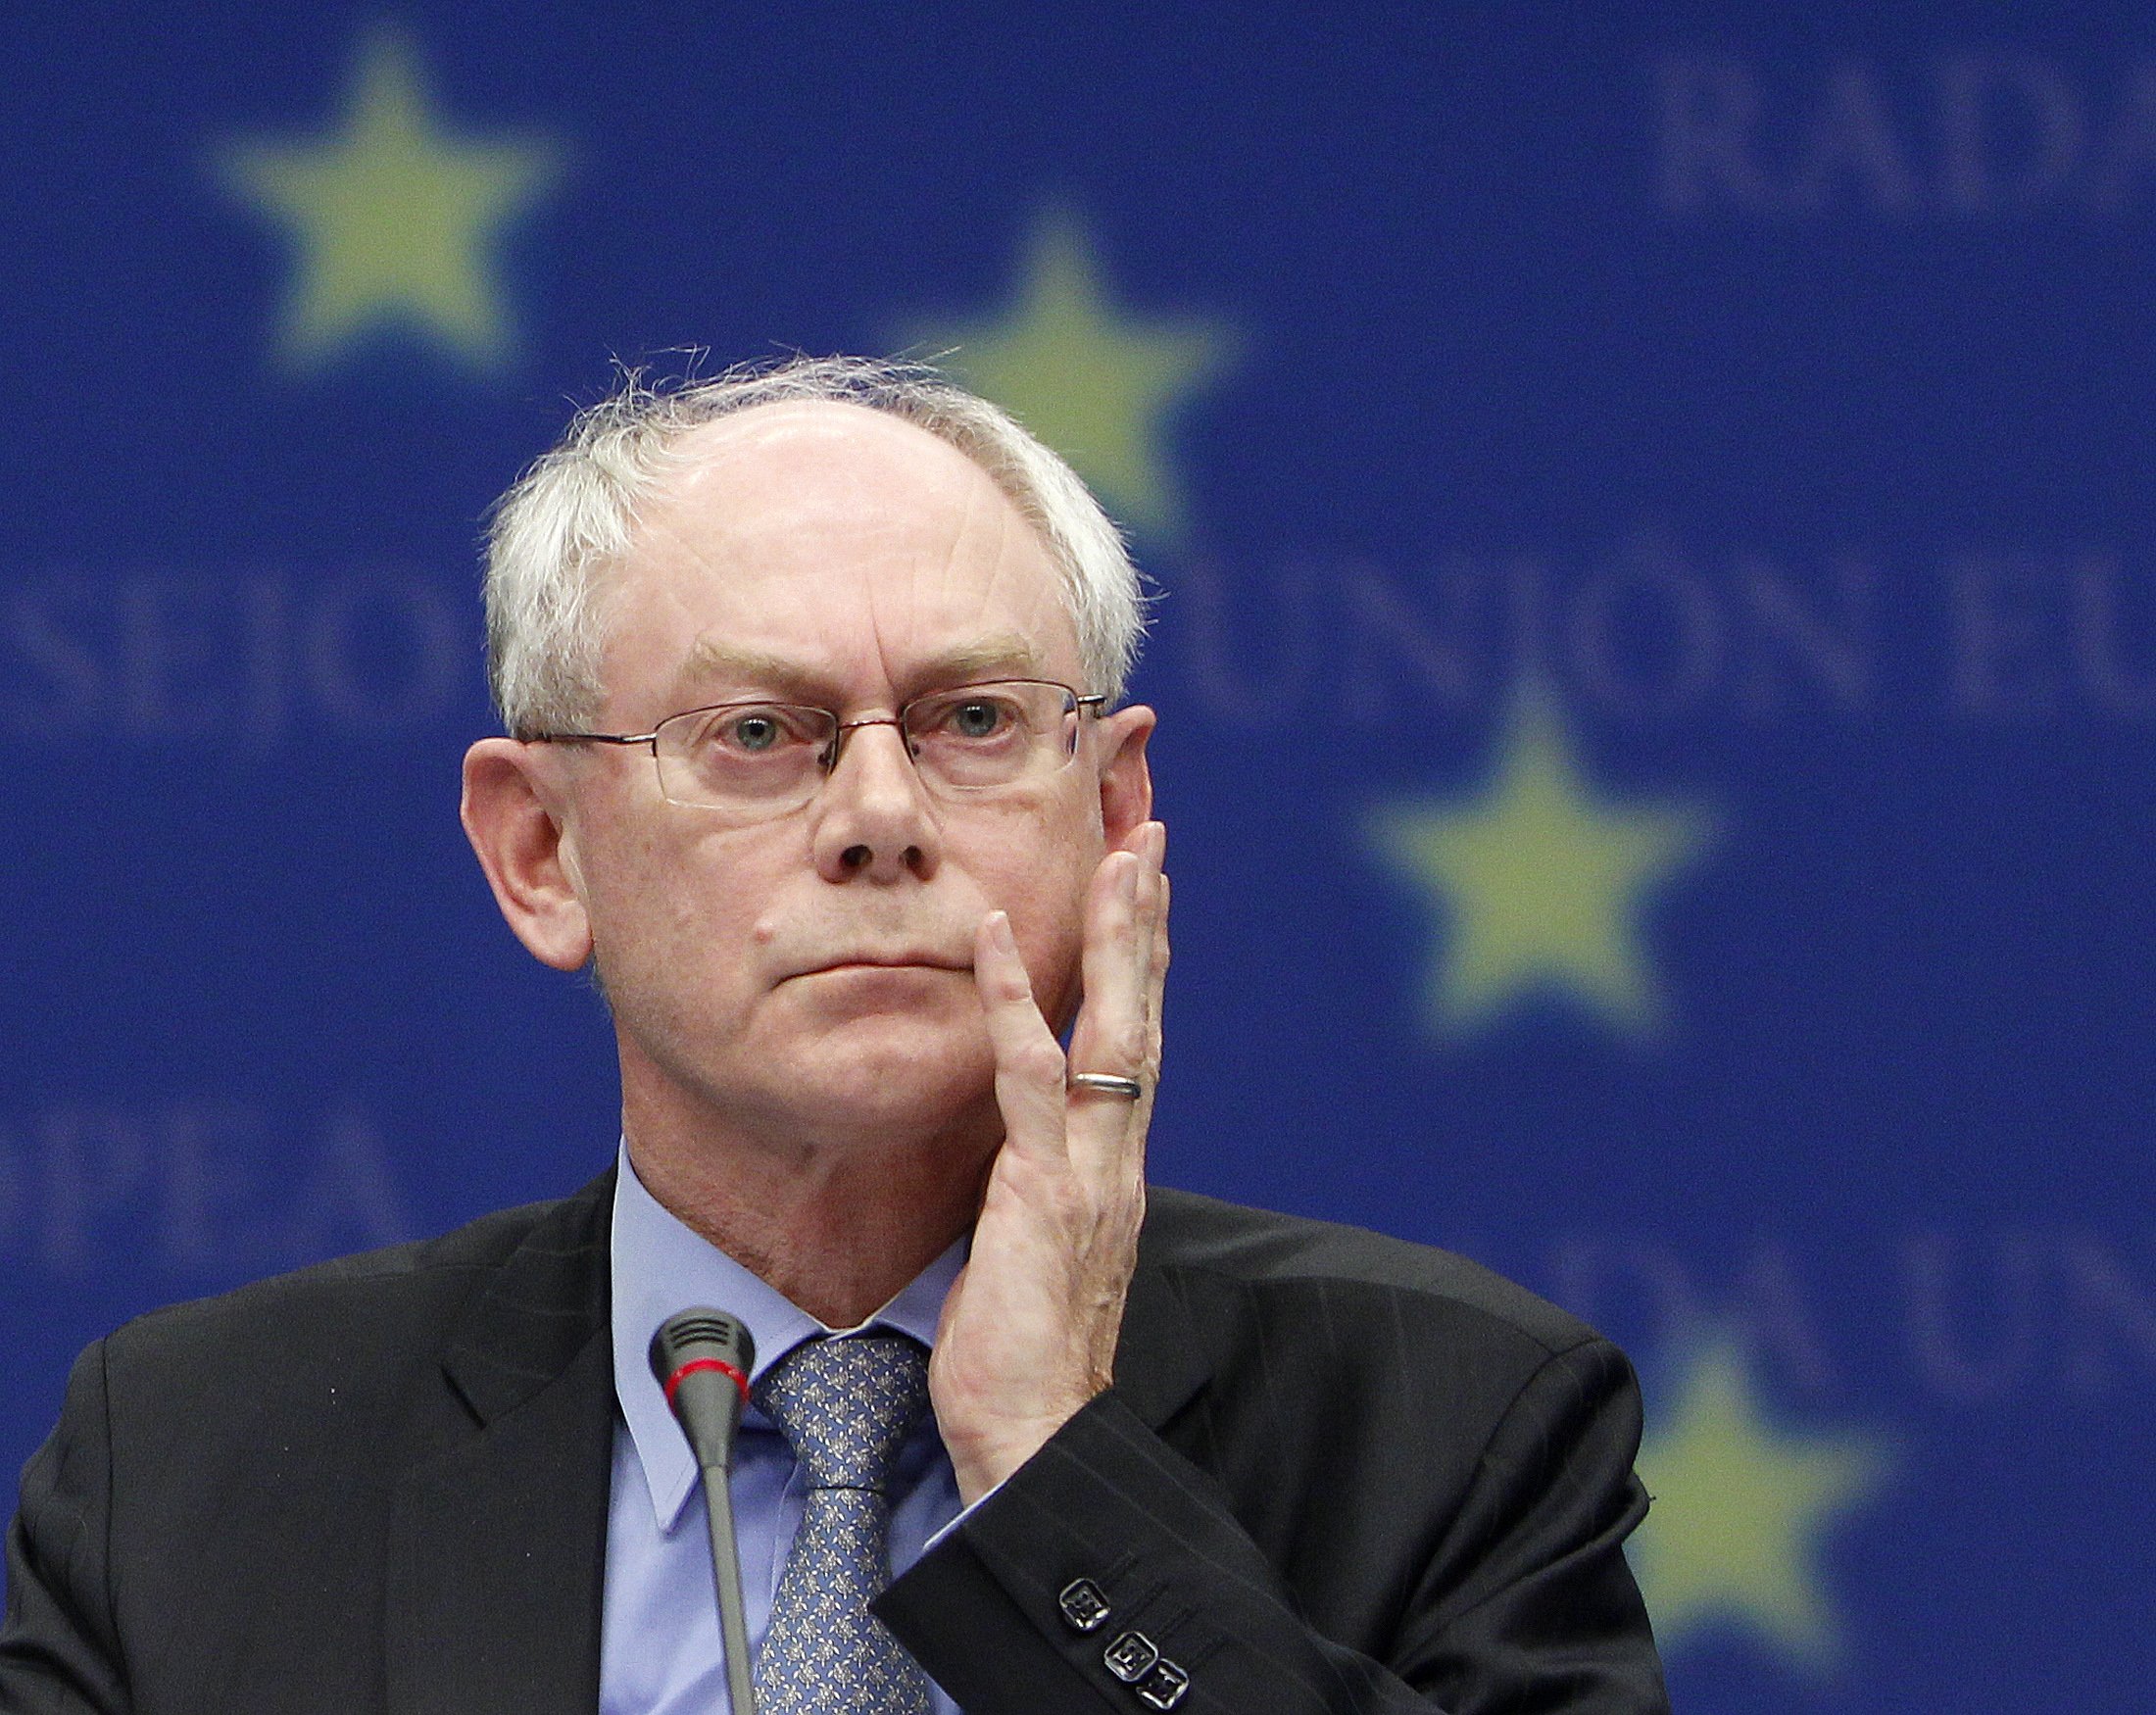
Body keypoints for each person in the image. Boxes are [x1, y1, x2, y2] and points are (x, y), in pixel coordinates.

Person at [1, 356, 1669, 1714]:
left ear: (1114, 810)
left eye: (973, 720)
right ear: (541, 849)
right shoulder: (199, 1467)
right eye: (756, 732)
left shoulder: (1455, 1426)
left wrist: (1053, 1474)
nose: (880, 814)